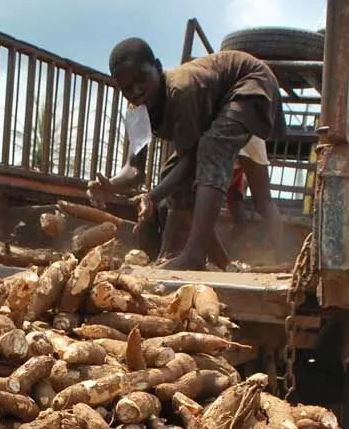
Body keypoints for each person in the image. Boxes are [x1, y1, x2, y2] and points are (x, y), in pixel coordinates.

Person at [87, 37, 284, 270]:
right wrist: (110, 184)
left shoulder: (182, 90)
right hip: (214, 112)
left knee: (212, 148)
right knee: (172, 174)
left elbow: (193, 159)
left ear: (158, 68)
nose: (136, 91)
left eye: (141, 80)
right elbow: (134, 169)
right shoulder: (136, 111)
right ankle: (218, 261)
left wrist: (152, 196)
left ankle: (194, 254)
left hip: (249, 84)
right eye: (127, 88)